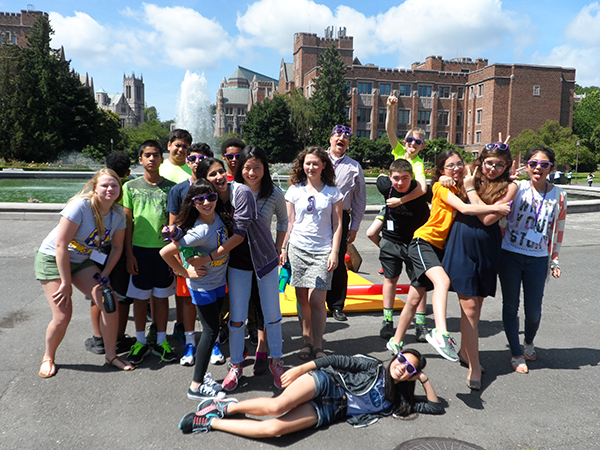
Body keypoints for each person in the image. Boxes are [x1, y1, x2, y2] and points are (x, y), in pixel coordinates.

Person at [386, 150, 511, 362]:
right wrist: (496, 207)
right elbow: (464, 208)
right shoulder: (440, 186)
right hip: (423, 242)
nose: (456, 168)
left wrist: (507, 172)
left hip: (440, 248)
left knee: (415, 297)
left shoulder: (458, 185)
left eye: (458, 163)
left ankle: (395, 341)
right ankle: (441, 333)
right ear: (441, 170)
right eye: (449, 166)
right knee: (442, 281)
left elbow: (479, 168)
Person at [190, 148, 285, 391]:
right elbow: (191, 227)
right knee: (236, 317)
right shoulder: (208, 200)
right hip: (236, 263)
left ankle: (276, 361)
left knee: (272, 314)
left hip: (263, 259)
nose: (219, 177)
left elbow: (240, 234)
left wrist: (208, 258)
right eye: (213, 174)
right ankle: (236, 365)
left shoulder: (241, 192)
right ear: (205, 181)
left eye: (221, 171)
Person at [178, 350, 442, 436]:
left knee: (274, 430)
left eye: (409, 368)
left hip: (331, 410)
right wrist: (301, 369)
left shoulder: (397, 401)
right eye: (401, 359)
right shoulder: (373, 367)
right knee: (277, 406)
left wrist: (423, 378)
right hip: (327, 383)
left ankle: (210, 421)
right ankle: (225, 406)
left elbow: (435, 407)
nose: (401, 366)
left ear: (411, 375)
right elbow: (338, 360)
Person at [36, 168, 134, 377]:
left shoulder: (117, 213)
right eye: (105, 185)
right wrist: (65, 283)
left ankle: (111, 355)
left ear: (120, 188)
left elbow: (117, 247)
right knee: (63, 315)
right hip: (53, 259)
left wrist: (105, 273)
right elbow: (61, 245)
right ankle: (48, 357)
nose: (110, 189)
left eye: (114, 185)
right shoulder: (81, 206)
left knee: (109, 301)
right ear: (95, 187)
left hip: (80, 260)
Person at [442, 142, 517, 390]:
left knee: (477, 306)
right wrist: (443, 177)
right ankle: (474, 365)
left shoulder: (510, 187)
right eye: (489, 163)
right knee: (470, 307)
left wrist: (471, 190)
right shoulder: (468, 173)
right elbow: (443, 174)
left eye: (499, 165)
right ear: (481, 161)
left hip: (487, 246)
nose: (493, 168)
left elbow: (487, 219)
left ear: (507, 166)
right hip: (461, 244)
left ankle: (466, 352)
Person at [160, 179, 232, 399]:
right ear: (193, 203)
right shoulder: (197, 232)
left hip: (217, 282)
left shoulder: (217, 216)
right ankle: (196, 386)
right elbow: (165, 253)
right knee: (210, 332)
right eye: (200, 200)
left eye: (210, 197)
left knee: (213, 329)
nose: (206, 203)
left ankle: (202, 378)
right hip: (203, 286)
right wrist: (185, 272)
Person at [499, 146, 566, 374]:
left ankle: (528, 342)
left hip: (538, 258)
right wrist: (505, 178)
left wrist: (555, 259)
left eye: (544, 164)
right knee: (510, 305)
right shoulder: (516, 188)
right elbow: (499, 213)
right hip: (510, 254)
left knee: (534, 310)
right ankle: (516, 353)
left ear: (551, 168)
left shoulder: (559, 195)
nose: (538, 168)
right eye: (533, 163)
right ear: (526, 165)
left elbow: (558, 229)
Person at [281, 147, 343, 360]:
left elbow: (337, 224)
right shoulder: (293, 191)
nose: (311, 167)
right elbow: (289, 223)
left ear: (323, 165)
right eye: (308, 163)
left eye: (315, 163)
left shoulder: (333, 192)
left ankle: (318, 344)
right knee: (302, 299)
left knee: (317, 300)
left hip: (323, 251)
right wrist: (283, 248)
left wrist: (335, 252)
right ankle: (307, 341)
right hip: (297, 248)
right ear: (302, 165)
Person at [234, 146, 288, 376]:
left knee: (264, 306)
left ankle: (262, 348)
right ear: (240, 168)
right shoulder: (233, 190)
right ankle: (236, 357)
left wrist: (279, 247)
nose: (252, 173)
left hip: (264, 258)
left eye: (257, 168)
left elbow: (283, 221)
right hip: (237, 256)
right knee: (238, 307)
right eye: (247, 167)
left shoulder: (274, 193)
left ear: (265, 168)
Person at [123, 140, 177, 365]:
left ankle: (162, 340)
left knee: (162, 298)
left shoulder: (171, 187)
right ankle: (140, 341)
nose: (152, 158)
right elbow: (127, 223)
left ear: (162, 159)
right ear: (140, 159)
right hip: (139, 250)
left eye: (156, 155)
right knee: (139, 298)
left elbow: (174, 223)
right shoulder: (130, 187)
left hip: (163, 251)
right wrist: (128, 254)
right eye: (147, 155)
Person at [166, 143, 214, 365]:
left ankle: (212, 341)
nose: (196, 162)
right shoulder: (178, 190)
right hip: (187, 253)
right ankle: (190, 342)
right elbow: (173, 225)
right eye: (192, 158)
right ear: (187, 161)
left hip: (213, 253)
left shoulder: (215, 187)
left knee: (213, 298)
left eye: (201, 158)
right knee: (186, 299)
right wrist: (179, 259)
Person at [373, 159, 430, 343]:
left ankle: (420, 324)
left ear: (412, 177)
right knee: (390, 280)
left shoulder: (422, 190)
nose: (400, 182)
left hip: (416, 242)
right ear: (390, 177)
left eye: (405, 178)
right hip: (391, 240)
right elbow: (380, 178)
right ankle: (387, 320)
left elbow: (440, 198)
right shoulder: (385, 186)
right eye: (396, 178)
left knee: (419, 283)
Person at [85, 151, 136, 355]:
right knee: (121, 295)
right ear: (128, 171)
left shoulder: (100, 186)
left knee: (97, 291)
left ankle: (98, 338)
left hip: (98, 247)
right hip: (121, 246)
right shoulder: (129, 186)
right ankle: (118, 338)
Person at [326, 125, 367, 322]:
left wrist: (355, 227)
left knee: (338, 260)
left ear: (348, 143)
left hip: (341, 217)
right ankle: (314, 300)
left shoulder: (354, 166)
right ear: (330, 139)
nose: (341, 139)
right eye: (338, 135)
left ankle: (336, 305)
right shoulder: (318, 159)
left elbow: (360, 199)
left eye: (346, 137)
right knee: (314, 256)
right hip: (317, 215)